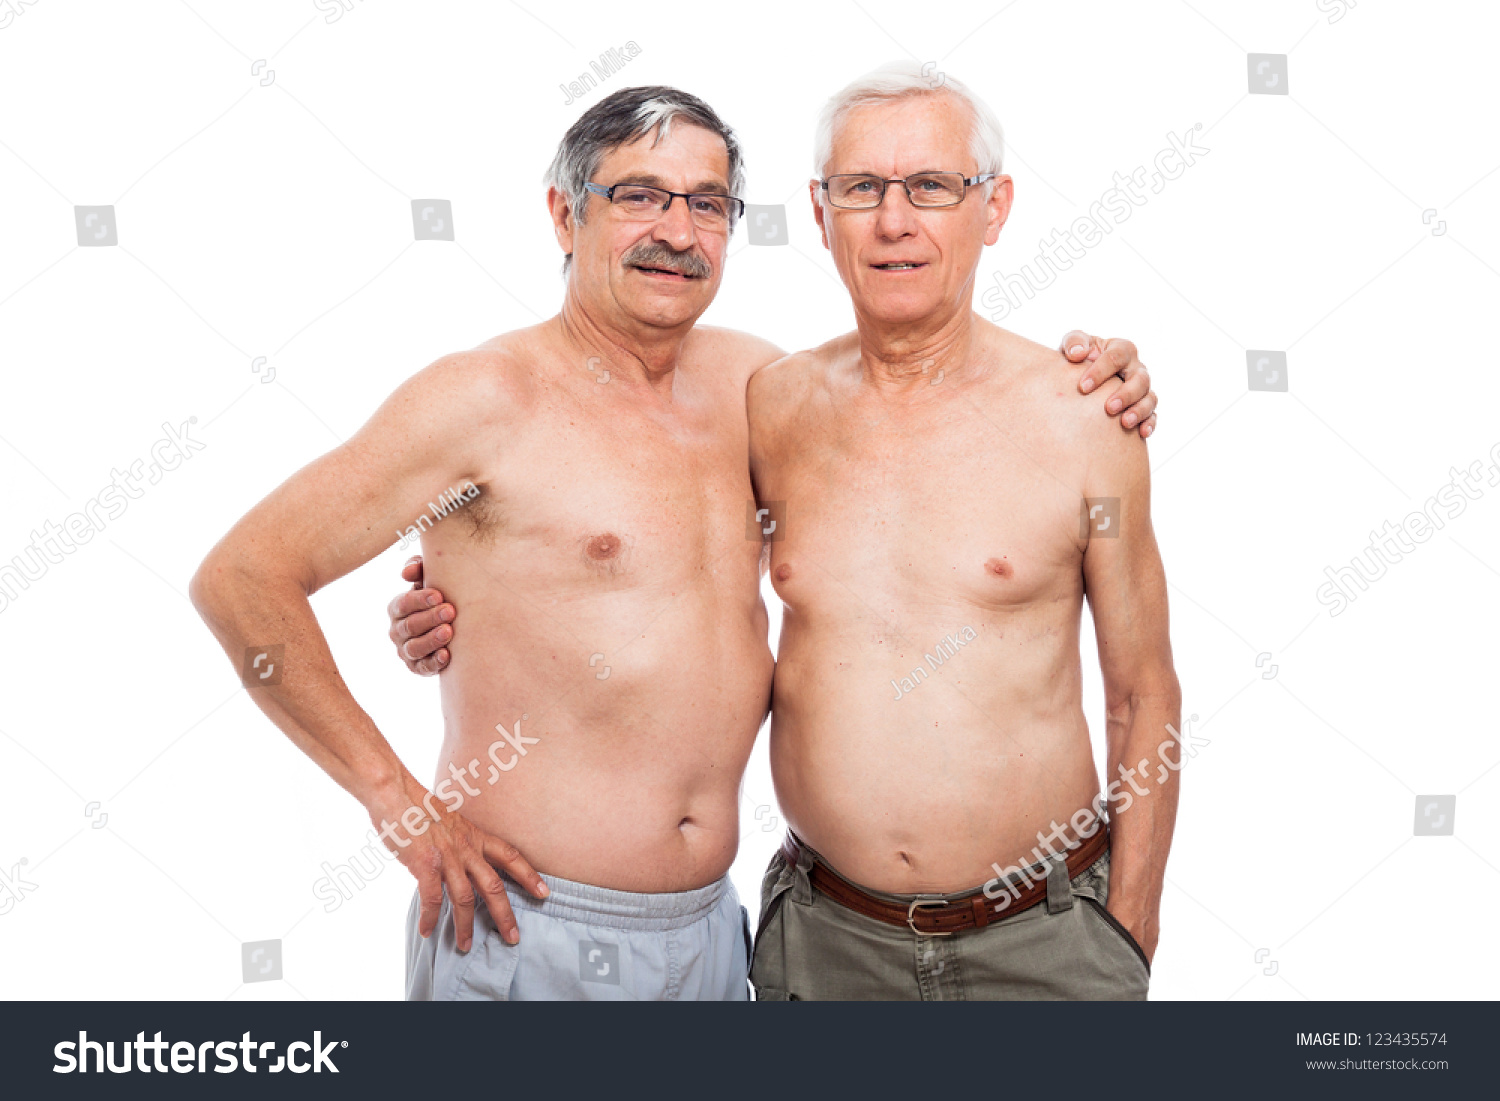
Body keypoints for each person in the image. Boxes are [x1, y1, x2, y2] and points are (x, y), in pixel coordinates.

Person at [195, 82, 1152, 1003]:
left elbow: (911, 438)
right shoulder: (483, 399)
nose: (677, 232)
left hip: (712, 938)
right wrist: (400, 807)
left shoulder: (760, 391)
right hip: (529, 926)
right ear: (566, 217)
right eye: (639, 196)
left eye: (707, 203)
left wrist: (1108, 373)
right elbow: (243, 578)